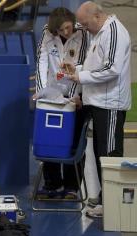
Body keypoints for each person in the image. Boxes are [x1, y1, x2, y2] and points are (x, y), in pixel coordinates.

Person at [64, 2, 131, 218]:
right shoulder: (99, 33)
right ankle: (105, 198)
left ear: (97, 16)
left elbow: (112, 68)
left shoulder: (114, 32)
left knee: (110, 154)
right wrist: (77, 70)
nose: (84, 28)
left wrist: (81, 77)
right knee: (100, 153)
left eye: (85, 24)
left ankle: (113, 205)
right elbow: (96, 65)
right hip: (99, 102)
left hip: (110, 104)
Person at [34, 7, 89, 200]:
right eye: (61, 30)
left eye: (68, 27)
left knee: (74, 141)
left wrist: (73, 97)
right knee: (51, 139)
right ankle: (52, 184)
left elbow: (82, 65)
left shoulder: (82, 33)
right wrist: (42, 92)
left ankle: (72, 187)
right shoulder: (47, 33)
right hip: (52, 94)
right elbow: (41, 62)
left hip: (76, 95)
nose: (66, 32)